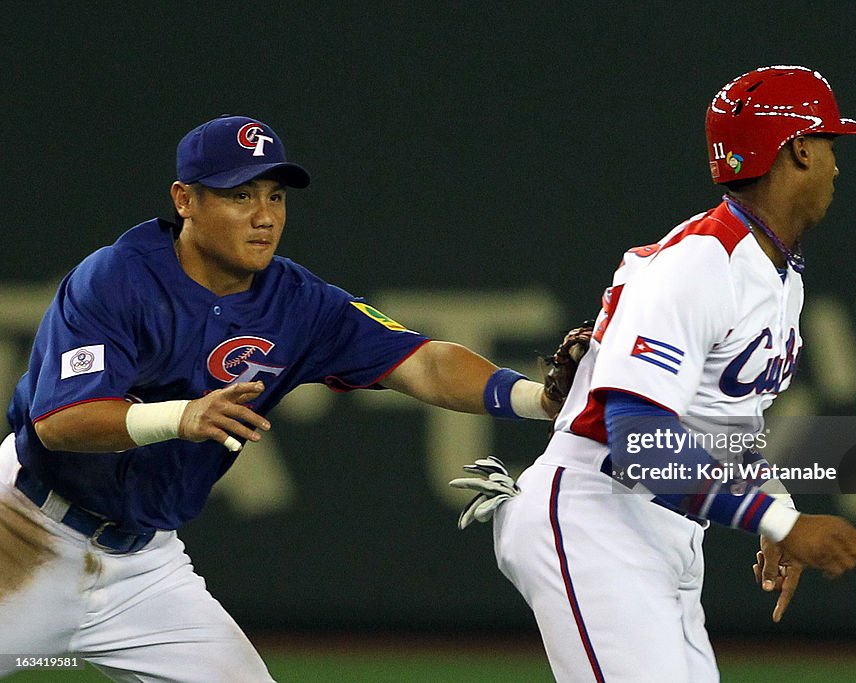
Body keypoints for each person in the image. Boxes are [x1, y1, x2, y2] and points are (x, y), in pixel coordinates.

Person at [0, 114, 565, 681]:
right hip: (23, 527)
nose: (265, 217)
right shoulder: (117, 279)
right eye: (239, 195)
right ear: (185, 200)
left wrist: (536, 398)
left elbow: (422, 362)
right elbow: (61, 422)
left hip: (143, 567)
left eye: (275, 195)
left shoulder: (297, 302)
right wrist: (183, 415)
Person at [469, 66, 856, 682]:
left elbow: (721, 420)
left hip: (662, 528)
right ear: (797, 149)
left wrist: (775, 501)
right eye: (829, 146)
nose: (836, 166)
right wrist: (782, 522)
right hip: (594, 515)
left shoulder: (775, 271)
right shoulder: (701, 262)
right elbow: (638, 441)